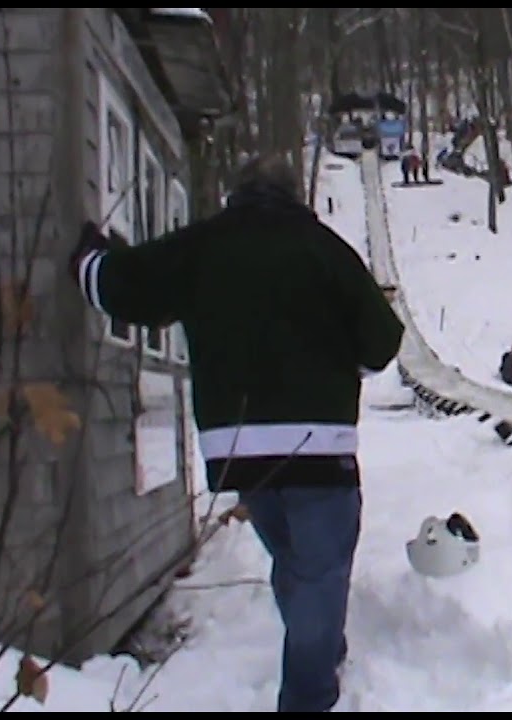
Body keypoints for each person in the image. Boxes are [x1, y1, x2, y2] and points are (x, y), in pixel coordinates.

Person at [69, 154, 405, 713]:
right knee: (319, 573)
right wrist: (345, 365)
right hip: (318, 449)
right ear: (294, 194)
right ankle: (309, 696)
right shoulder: (324, 250)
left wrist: (88, 259)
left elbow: (126, 288)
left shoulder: (204, 246)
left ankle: (322, 651)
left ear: (235, 194)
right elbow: (381, 343)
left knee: (296, 566)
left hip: (239, 452)